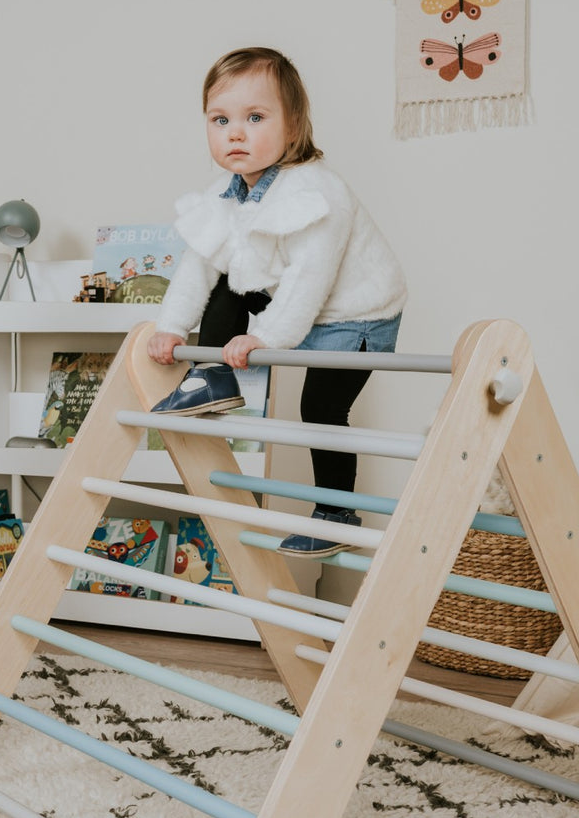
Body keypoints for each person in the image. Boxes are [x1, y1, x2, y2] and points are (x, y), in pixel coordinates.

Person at [147, 47, 407, 558]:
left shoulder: (316, 193)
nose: (235, 134)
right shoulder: (227, 193)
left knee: (322, 408)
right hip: (298, 305)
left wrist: (264, 337)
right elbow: (199, 265)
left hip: (358, 315)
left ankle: (335, 514)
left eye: (255, 118)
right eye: (220, 120)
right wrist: (172, 327)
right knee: (224, 267)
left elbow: (310, 279)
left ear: (293, 128)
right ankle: (213, 377)